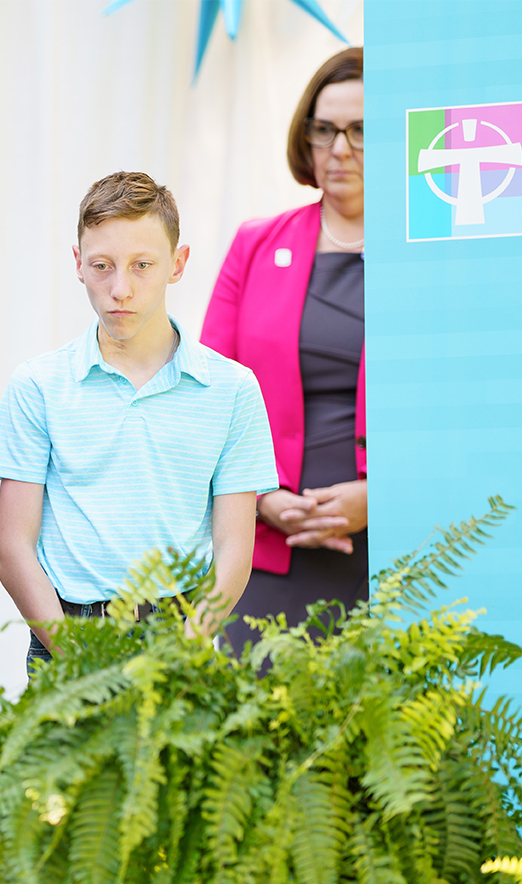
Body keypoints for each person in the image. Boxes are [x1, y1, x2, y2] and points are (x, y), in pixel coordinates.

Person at [0, 172, 277, 884]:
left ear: (178, 265)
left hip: (181, 647)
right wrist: (62, 652)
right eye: (103, 265)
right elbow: (13, 544)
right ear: (76, 264)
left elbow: (234, 544)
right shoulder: (38, 386)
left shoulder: (231, 391)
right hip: (68, 643)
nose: (122, 285)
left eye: (142, 265)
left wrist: (196, 634)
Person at [203, 47, 366, 647]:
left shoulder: (434, 254)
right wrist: (263, 498)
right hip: (269, 548)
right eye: (325, 130)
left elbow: (460, 413)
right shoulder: (255, 245)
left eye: (361, 130)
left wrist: (380, 496)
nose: (340, 148)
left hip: (394, 554)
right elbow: (205, 396)